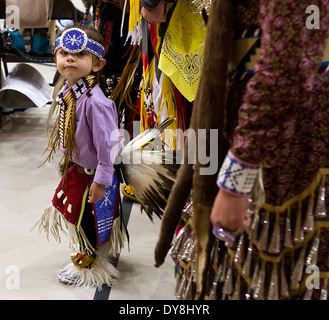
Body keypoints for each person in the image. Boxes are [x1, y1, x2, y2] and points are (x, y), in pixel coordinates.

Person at [155, 0, 329, 300]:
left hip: (281, 151)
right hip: (242, 133)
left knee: (273, 279)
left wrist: (237, 181)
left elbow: (288, 65)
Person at [34, 24, 125, 289]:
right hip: (77, 169)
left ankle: (89, 265)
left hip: (92, 176)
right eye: (64, 53)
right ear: (56, 59)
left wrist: (101, 180)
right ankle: (89, 255)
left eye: (80, 54)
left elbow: (109, 146)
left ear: (98, 64)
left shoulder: (96, 103)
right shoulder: (70, 93)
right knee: (78, 217)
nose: (70, 58)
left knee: (88, 222)